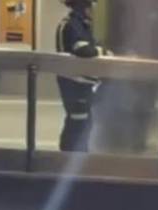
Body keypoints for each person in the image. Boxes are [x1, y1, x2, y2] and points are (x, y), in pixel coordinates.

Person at [55, 0, 108, 152]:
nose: (94, 8)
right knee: (77, 121)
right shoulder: (71, 25)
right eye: (92, 4)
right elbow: (83, 50)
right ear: (84, 6)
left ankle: (76, 156)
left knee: (84, 122)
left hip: (83, 82)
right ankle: (69, 156)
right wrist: (104, 52)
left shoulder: (82, 24)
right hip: (74, 83)